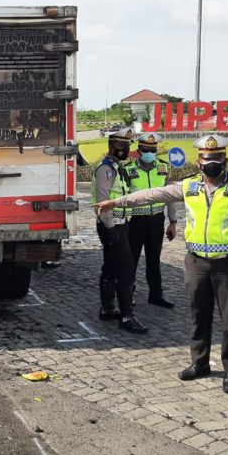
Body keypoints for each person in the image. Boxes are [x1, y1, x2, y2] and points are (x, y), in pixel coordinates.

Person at [95, 134, 228, 394]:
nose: (212, 163)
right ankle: (199, 363)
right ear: (199, 161)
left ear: (226, 160)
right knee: (198, 315)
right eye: (207, 159)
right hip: (197, 263)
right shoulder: (189, 187)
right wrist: (116, 202)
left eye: (217, 158)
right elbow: (151, 194)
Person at [91, 127, 148, 334]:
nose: (124, 150)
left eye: (126, 146)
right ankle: (127, 316)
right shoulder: (105, 170)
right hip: (112, 225)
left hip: (121, 223)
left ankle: (107, 308)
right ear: (111, 146)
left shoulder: (117, 168)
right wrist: (110, 228)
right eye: (120, 146)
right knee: (126, 270)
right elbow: (102, 202)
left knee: (112, 267)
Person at [123, 133, 177, 309]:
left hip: (156, 220)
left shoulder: (163, 167)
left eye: (153, 150)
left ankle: (156, 295)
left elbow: (170, 196)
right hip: (136, 220)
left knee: (154, 260)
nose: (150, 153)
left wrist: (173, 221)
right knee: (131, 259)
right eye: (146, 150)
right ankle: (127, 294)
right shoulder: (128, 169)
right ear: (138, 151)